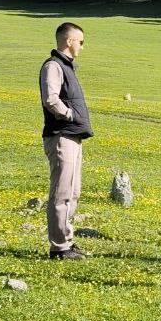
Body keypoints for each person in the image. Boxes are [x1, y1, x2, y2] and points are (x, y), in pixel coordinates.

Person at [40, 22, 93, 260]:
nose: (82, 46)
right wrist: (70, 115)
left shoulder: (66, 67)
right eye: (80, 42)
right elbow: (50, 99)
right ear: (69, 41)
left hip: (71, 135)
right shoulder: (53, 66)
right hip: (61, 135)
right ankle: (59, 247)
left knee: (72, 191)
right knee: (62, 193)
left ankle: (66, 243)